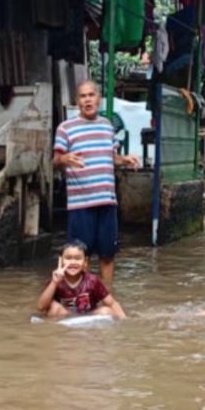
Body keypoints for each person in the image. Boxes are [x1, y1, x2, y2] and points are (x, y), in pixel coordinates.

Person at [53, 80, 140, 291]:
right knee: (80, 258)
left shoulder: (106, 126)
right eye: (83, 96)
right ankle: (83, 301)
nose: (88, 99)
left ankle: (105, 300)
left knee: (108, 256)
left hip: (107, 202)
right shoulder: (66, 128)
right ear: (77, 101)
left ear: (98, 99)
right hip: (80, 204)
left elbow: (110, 157)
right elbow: (55, 161)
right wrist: (64, 160)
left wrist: (125, 159)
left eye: (91, 95)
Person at [37, 240, 126, 320]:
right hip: (66, 318)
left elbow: (112, 303)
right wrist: (54, 282)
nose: (72, 262)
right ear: (61, 260)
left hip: (88, 318)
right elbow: (41, 307)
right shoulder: (56, 281)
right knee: (54, 308)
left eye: (77, 258)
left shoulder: (92, 281)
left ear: (85, 262)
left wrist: (124, 320)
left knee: (106, 311)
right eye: (68, 258)